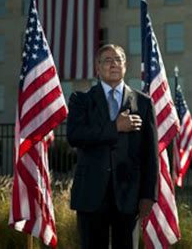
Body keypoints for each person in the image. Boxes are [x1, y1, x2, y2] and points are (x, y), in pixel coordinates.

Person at [66, 44, 159, 249]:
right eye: (107, 60)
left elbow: (150, 153)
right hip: (91, 194)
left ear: (125, 66)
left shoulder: (143, 103)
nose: (114, 64)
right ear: (97, 69)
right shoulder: (81, 100)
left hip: (129, 194)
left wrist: (148, 195)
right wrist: (115, 127)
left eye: (119, 59)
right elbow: (74, 136)